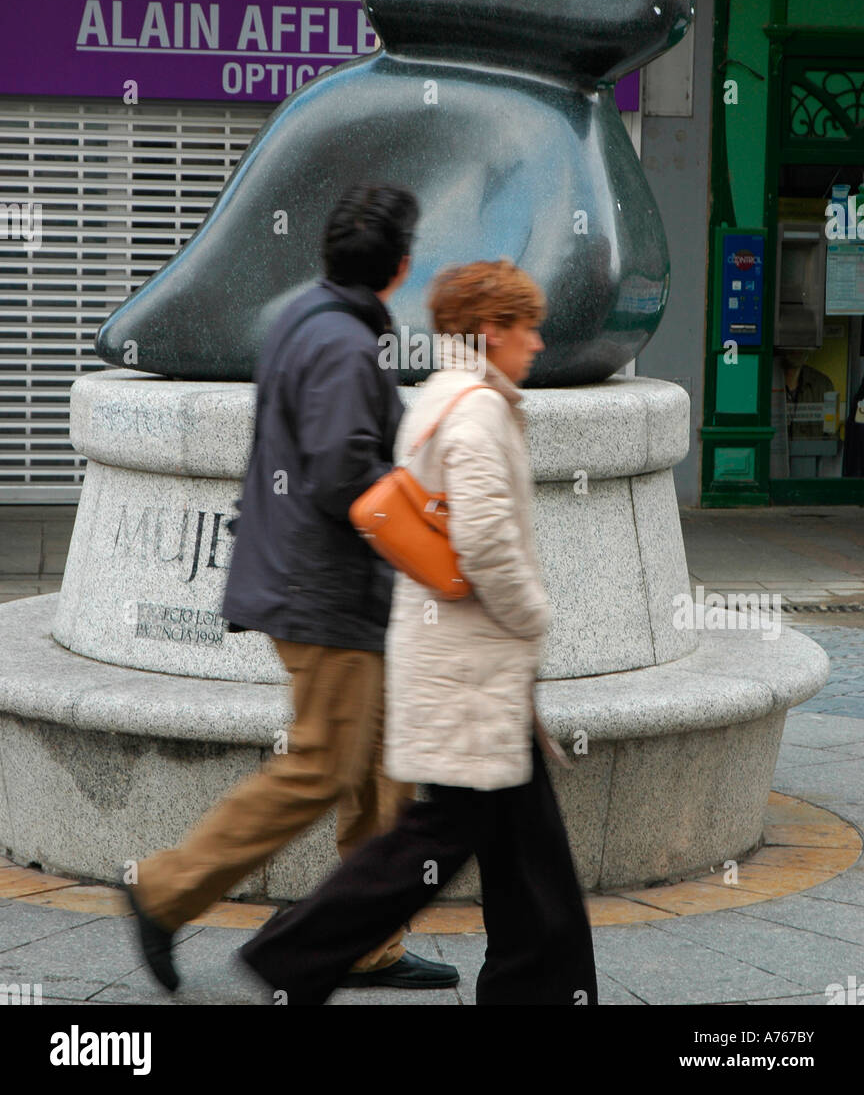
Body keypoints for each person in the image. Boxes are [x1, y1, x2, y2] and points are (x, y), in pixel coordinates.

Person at [125, 183, 458, 995]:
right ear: (402, 268)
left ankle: (368, 943)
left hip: (326, 587)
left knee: (381, 770)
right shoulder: (344, 346)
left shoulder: (304, 321)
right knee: (317, 767)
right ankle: (164, 891)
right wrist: (428, 520)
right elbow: (347, 473)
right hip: (328, 595)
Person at [239, 259, 599, 1006]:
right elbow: (486, 542)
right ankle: (293, 952)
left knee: (518, 848)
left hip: (465, 669)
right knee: (434, 844)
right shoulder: (477, 411)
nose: (536, 343)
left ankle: (533, 985)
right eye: (526, 327)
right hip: (473, 672)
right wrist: (536, 616)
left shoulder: (444, 394)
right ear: (489, 332)